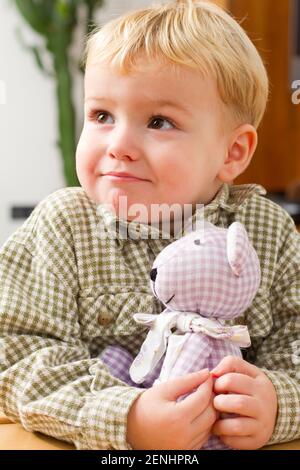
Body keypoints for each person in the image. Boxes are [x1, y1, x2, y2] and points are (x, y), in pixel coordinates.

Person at [0, 0, 299, 450]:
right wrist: (127, 418)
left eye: (159, 121)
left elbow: (294, 344)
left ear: (232, 152)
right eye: (102, 116)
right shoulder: (62, 227)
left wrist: (277, 403)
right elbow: (18, 356)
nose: (118, 144)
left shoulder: (267, 231)